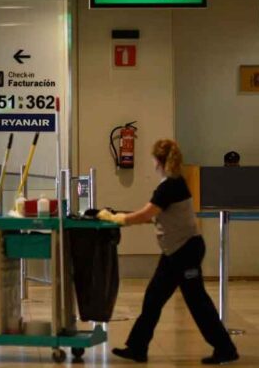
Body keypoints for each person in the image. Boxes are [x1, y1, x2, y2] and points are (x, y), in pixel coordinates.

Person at [98, 139, 239, 365]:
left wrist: (118, 219)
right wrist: (121, 216)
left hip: (185, 251)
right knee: (154, 298)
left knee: (197, 302)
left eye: (154, 159)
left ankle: (225, 348)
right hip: (176, 251)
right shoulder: (172, 183)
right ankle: (137, 347)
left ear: (159, 160)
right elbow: (155, 214)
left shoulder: (170, 186)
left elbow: (146, 214)